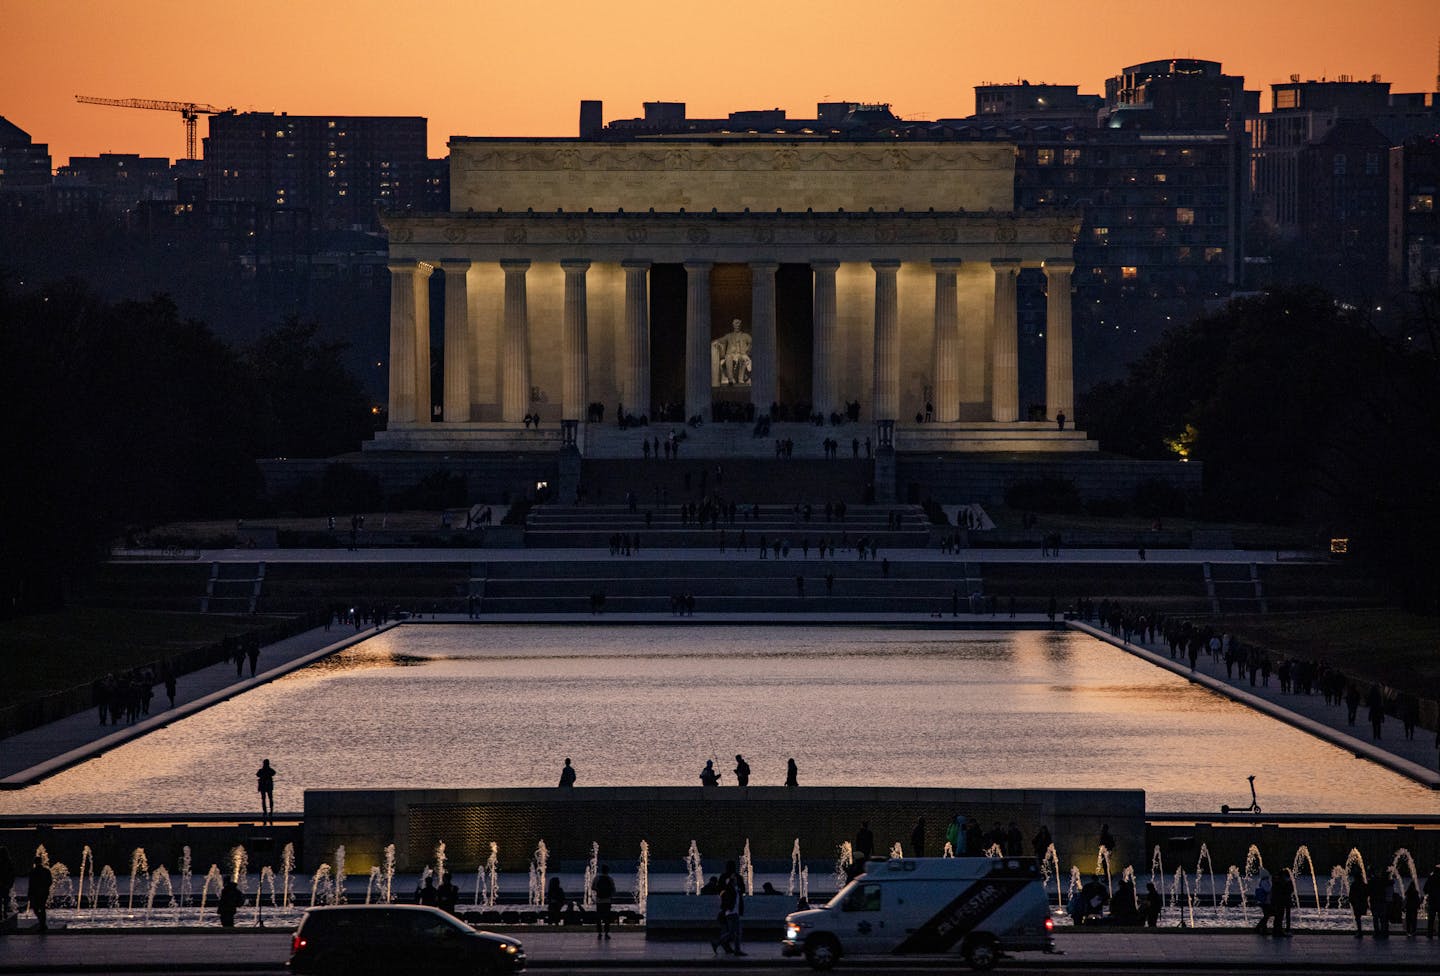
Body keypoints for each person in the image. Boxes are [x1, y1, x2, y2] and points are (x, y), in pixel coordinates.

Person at [26, 858, 51, 933]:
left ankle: (42, 924)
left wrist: (29, 893)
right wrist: (45, 888)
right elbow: (50, 881)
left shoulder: (33, 871)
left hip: (35, 892)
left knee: (36, 908)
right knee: (41, 908)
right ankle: (42, 923)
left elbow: (31, 884)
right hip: (43, 892)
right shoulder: (46, 871)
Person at [591, 864, 616, 939]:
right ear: (607, 871)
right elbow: (613, 889)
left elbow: (593, 887)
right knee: (607, 918)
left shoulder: (597, 878)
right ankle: (606, 933)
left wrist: (598, 890)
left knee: (599, 917)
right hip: (607, 901)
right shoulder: (610, 878)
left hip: (599, 901)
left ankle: (599, 933)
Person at [1271, 867, 1294, 936]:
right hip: (1284, 901)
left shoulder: (1276, 881)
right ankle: (1282, 930)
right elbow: (1290, 890)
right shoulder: (1284, 882)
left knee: (1279, 916)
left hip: (1279, 901)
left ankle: (1277, 930)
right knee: (1281, 915)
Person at [1371, 869, 1392, 939]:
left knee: (1377, 918)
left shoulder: (1375, 882)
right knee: (1383, 918)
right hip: (1383, 902)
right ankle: (1384, 932)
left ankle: (1377, 932)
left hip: (1376, 902)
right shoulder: (1384, 882)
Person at [1348, 864, 1369, 938]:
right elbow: (1367, 893)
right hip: (1362, 903)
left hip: (1357, 903)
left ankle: (1359, 931)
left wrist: (1351, 901)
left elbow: (1351, 894)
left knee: (1358, 918)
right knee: (1359, 917)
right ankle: (1378, 931)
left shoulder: (1354, 885)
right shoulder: (1364, 885)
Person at [256, 759, 277, 826]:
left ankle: (266, 811)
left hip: (264, 786)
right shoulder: (268, 770)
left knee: (266, 799)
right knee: (268, 798)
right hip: (266, 786)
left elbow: (258, 774)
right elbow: (273, 773)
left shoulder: (262, 771)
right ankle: (269, 811)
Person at [1425, 862, 1440, 938]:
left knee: (1431, 919)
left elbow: (1425, 889)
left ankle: (1430, 933)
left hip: (1432, 901)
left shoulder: (1430, 878)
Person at [0, 847, 14, 928]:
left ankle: (1, 913)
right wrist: (10, 883)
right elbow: (11, 874)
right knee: (5, 898)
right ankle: (4, 912)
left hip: (1, 883)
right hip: (6, 884)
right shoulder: (8, 862)